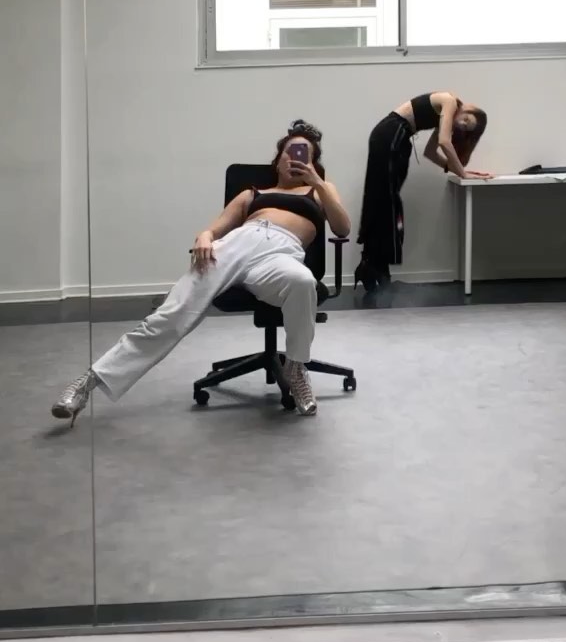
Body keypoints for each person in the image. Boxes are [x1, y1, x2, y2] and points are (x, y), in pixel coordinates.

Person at [51, 121, 350, 423]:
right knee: (171, 316)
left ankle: (295, 367)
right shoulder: (252, 193)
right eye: (290, 151)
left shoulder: (320, 192)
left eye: (305, 154)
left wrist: (318, 182)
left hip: (282, 254)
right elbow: (213, 229)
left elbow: (342, 228)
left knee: (302, 281)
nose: (296, 159)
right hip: (237, 245)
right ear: (279, 159)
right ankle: (88, 382)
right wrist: (204, 237)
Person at [355, 93, 490, 292]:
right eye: (467, 120)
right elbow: (444, 142)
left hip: (395, 138)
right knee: (385, 202)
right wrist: (463, 173)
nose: (462, 124)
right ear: (467, 109)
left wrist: (460, 171)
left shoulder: (443, 116)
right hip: (391, 135)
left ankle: (372, 265)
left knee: (384, 201)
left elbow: (430, 152)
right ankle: (373, 266)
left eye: (466, 128)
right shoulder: (450, 101)